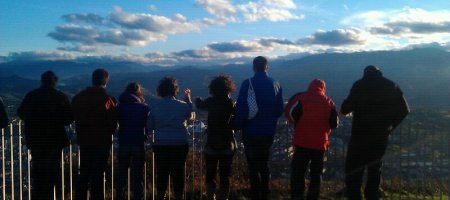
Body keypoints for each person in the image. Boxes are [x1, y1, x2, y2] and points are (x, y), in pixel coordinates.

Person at [341, 65, 409, 200]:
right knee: (375, 169)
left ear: (364, 74)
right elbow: (405, 110)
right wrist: (391, 126)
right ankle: (372, 195)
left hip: (359, 136)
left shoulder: (359, 85)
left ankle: (354, 196)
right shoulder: (391, 85)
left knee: (354, 170)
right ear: (379, 73)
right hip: (380, 136)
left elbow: (345, 109)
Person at [17, 71, 73, 200]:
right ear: (54, 82)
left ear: (42, 81)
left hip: (36, 140)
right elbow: (68, 118)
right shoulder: (60, 96)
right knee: (53, 171)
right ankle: (53, 195)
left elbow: (21, 113)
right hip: (54, 141)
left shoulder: (31, 95)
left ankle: (39, 195)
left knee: (38, 172)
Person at [235, 56, 284, 200]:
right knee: (264, 164)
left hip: (250, 130)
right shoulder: (276, 84)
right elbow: (279, 109)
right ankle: (265, 194)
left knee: (252, 165)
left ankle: (255, 194)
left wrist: (239, 124)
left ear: (253, 67)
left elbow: (242, 108)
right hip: (268, 131)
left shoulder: (247, 83)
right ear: (267, 67)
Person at [284, 79, 338, 200]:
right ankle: (313, 197)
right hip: (320, 143)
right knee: (316, 174)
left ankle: (297, 196)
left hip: (302, 141)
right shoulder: (329, 102)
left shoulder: (301, 98)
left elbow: (290, 112)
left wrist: (296, 123)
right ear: (323, 88)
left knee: (298, 172)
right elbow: (334, 123)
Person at [72, 69, 118, 200]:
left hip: (84, 140)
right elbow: (113, 123)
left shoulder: (79, 98)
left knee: (84, 173)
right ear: (106, 82)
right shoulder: (108, 100)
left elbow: (72, 115)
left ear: (92, 80)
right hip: (102, 141)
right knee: (97, 175)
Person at [148, 77, 194, 200]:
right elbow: (190, 113)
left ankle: (160, 196)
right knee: (178, 173)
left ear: (161, 91)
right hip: (180, 143)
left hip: (161, 144)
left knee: (162, 173)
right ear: (175, 90)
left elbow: (149, 126)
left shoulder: (155, 107)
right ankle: (179, 196)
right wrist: (188, 99)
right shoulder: (183, 106)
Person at [195, 75, 237, 200]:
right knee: (225, 174)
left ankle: (210, 196)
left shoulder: (211, 101)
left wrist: (197, 98)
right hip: (227, 143)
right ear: (228, 88)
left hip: (212, 143)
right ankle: (223, 197)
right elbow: (237, 114)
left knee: (210, 173)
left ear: (212, 88)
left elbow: (199, 105)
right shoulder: (229, 103)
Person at [117, 82, 150, 200]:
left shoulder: (119, 107)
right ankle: (138, 196)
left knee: (121, 173)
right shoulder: (144, 107)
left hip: (124, 141)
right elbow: (149, 125)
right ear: (138, 92)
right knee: (138, 174)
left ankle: (120, 195)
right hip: (138, 141)